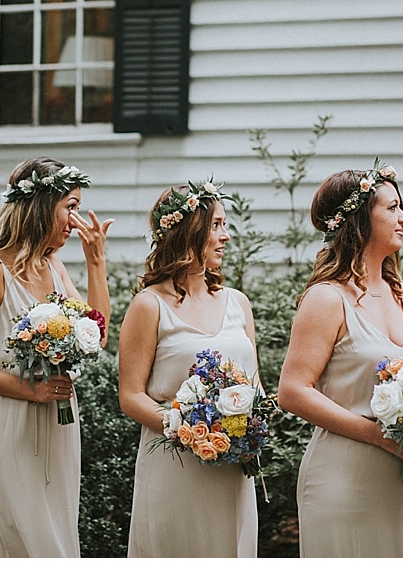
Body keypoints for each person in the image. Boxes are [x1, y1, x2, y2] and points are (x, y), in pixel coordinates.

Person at [0, 158, 113, 558]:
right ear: (41, 206)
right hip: (14, 424)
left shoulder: (55, 266)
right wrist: (29, 389)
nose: (74, 220)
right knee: (35, 546)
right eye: (69, 207)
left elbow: (99, 335)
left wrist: (96, 262)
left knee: (60, 540)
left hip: (61, 424)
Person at [277, 164, 403, 557]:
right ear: (360, 220)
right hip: (342, 479)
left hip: (398, 481)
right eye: (392, 208)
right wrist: (378, 436)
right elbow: (292, 392)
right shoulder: (327, 299)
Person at [119, 179, 260, 558]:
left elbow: (256, 387)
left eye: (224, 225)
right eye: (215, 225)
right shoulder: (149, 306)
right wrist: (184, 427)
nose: (225, 236)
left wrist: (247, 427)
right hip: (174, 464)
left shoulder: (237, 303)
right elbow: (130, 396)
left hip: (233, 465)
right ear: (187, 232)